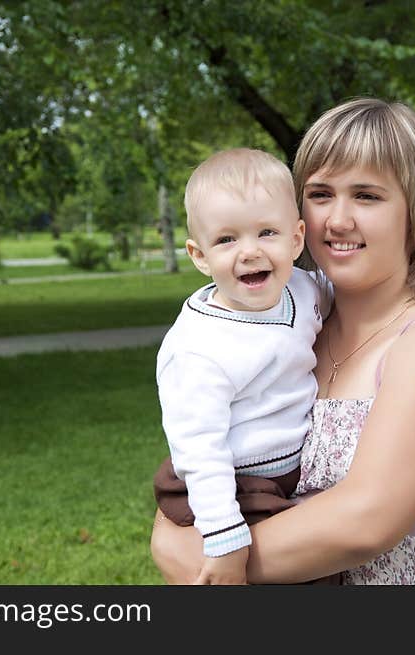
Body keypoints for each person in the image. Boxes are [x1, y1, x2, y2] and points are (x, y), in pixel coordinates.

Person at [151, 97, 415, 585]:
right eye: (319, 194)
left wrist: (199, 555)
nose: (337, 220)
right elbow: (207, 455)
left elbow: (363, 521)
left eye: (366, 196)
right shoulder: (293, 327)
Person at [152, 148, 330, 585]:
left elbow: (343, 297)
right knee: (304, 577)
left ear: (296, 238)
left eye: (266, 232)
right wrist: (226, 539)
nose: (249, 252)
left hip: (285, 471)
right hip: (234, 483)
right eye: (226, 240)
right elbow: (201, 450)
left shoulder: (304, 289)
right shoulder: (199, 347)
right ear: (199, 255)